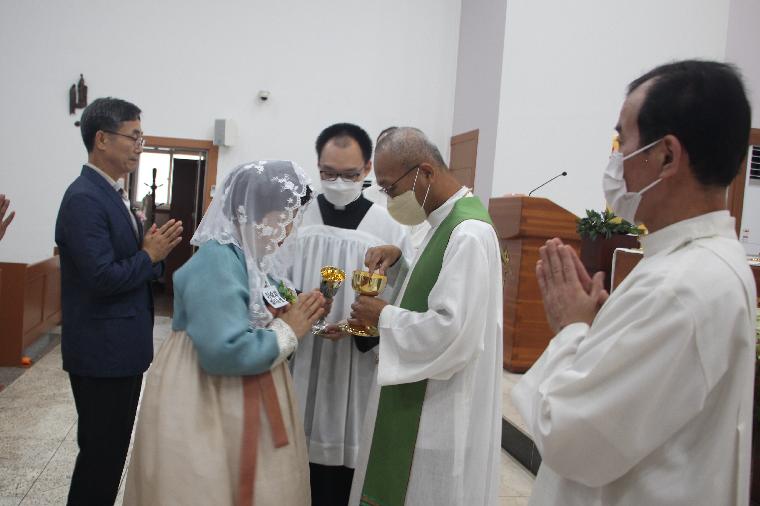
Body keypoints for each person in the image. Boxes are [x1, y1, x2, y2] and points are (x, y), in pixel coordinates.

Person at [512, 60, 756, 505]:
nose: (615, 158)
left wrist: (572, 329)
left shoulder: (679, 287)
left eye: (622, 140)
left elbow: (569, 435)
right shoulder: (699, 261)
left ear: (667, 156)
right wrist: (600, 333)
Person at [124, 160, 326, 506]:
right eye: (285, 218)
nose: (289, 229)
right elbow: (223, 350)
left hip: (249, 382)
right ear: (258, 213)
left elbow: (262, 306)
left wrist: (292, 312)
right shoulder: (217, 260)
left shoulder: (252, 259)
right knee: (208, 483)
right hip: (207, 392)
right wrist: (287, 329)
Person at [348, 127, 503, 506]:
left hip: (436, 408)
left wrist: (384, 316)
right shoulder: (442, 222)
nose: (389, 199)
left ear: (426, 172)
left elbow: (453, 330)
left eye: (390, 188)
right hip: (423, 398)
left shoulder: (467, 233)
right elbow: (435, 291)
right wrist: (402, 265)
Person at [55, 97, 183, 505]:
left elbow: (131, 260)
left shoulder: (112, 193)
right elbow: (101, 278)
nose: (139, 146)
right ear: (102, 139)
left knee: (109, 455)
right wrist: (149, 256)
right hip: (101, 351)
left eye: (141, 137)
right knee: (100, 457)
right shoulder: (84, 198)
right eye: (133, 136)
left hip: (119, 348)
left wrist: (152, 255)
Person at [288, 123, 411, 506]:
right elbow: (271, 278)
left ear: (368, 168)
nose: (338, 182)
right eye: (328, 173)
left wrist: (363, 325)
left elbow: (401, 295)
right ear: (317, 166)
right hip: (300, 356)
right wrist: (294, 305)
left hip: (354, 367)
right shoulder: (297, 217)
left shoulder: (389, 227)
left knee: (341, 478)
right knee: (293, 465)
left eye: (349, 174)